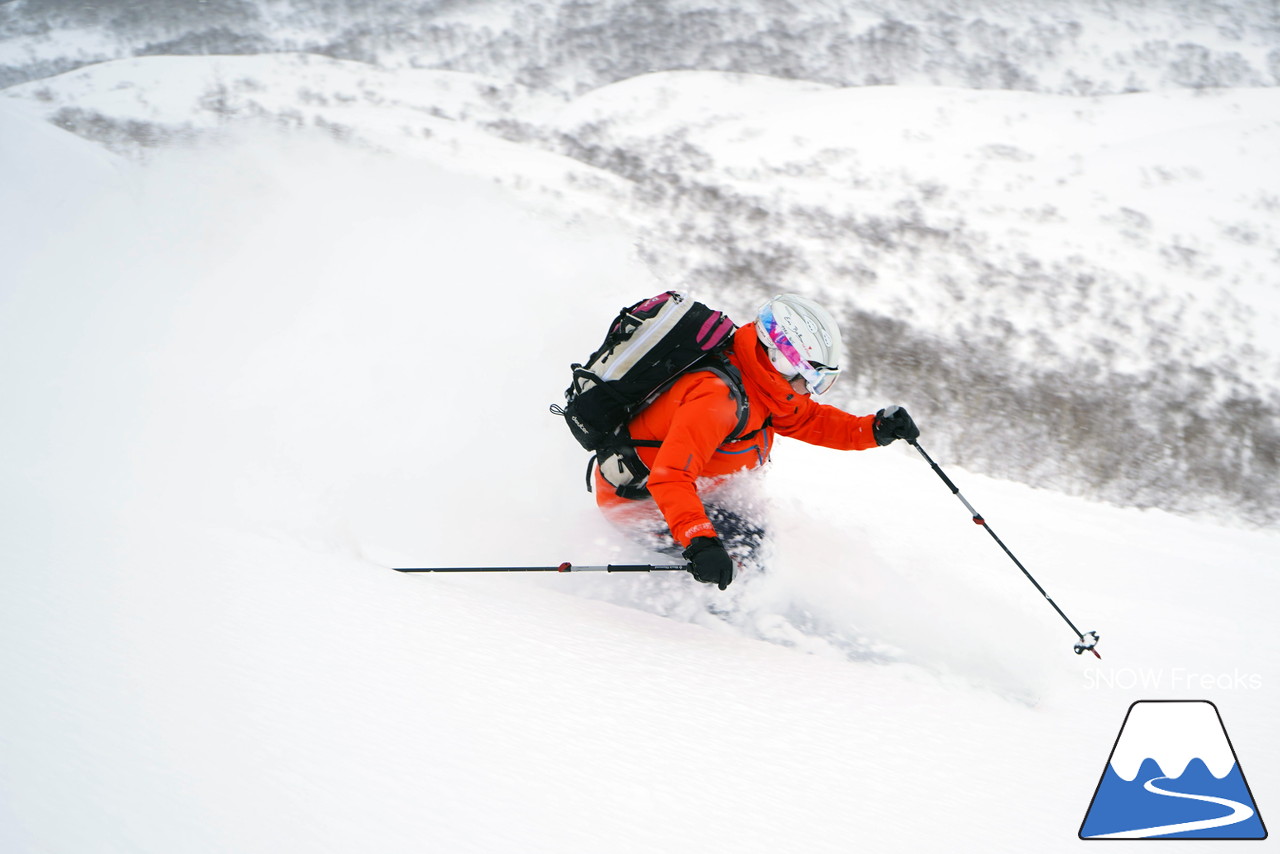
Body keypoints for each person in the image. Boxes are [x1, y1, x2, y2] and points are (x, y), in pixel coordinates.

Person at [592, 293, 919, 590]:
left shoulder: (762, 383)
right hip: (640, 503)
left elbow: (805, 418)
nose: (809, 389)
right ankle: (705, 627)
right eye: (812, 378)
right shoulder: (716, 398)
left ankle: (741, 611)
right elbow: (672, 476)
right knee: (742, 553)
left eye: (821, 382)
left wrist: (873, 430)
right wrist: (700, 541)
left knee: (753, 546)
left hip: (698, 491)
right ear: (781, 360)